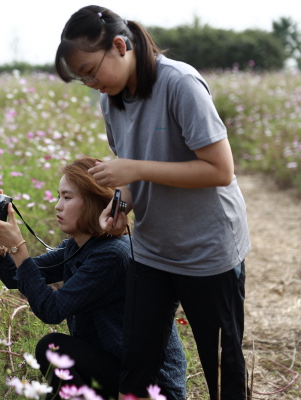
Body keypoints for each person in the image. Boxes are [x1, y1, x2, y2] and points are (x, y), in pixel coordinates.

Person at [54, 6, 251, 400]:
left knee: (220, 366)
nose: (90, 82)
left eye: (91, 70)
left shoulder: (180, 84)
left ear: (119, 45)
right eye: (81, 78)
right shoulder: (110, 102)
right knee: (137, 363)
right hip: (151, 251)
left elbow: (220, 170)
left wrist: (134, 169)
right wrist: (120, 206)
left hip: (207, 250)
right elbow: (133, 179)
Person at [0, 157, 186, 400]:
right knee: (54, 352)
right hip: (114, 366)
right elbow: (15, 277)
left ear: (95, 203)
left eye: (67, 198)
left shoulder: (113, 254)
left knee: (52, 348)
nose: (58, 206)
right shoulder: (77, 246)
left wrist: (18, 247)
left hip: (150, 388)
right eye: (59, 196)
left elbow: (51, 311)